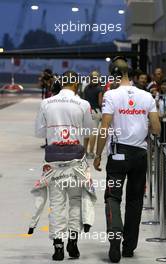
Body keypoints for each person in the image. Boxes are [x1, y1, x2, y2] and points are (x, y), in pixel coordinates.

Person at [93, 56, 161, 263]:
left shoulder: (110, 95)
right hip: (140, 156)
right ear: (129, 75)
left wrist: (97, 154)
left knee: (113, 197)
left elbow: (104, 127)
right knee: (135, 200)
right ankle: (129, 247)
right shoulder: (146, 96)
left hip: (118, 155)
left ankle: (115, 236)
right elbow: (156, 128)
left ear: (113, 74)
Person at [35, 70, 93, 261]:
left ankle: (58, 246)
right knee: (75, 202)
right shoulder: (83, 104)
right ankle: (73, 243)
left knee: (56, 205)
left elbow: (39, 132)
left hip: (53, 162)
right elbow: (88, 131)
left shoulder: (46, 103)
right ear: (76, 84)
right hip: (75, 161)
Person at [83, 70, 103, 159]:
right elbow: (100, 103)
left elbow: (83, 100)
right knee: (93, 133)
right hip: (96, 111)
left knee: (86, 132)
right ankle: (91, 152)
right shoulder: (100, 89)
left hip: (87, 111)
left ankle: (84, 152)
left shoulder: (86, 88)